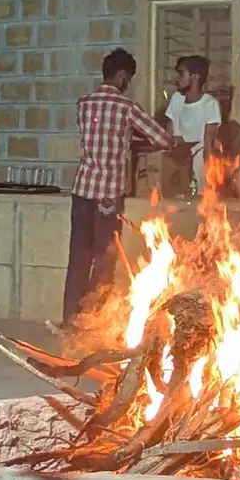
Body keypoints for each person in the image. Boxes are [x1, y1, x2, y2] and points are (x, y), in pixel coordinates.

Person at [63, 47, 179, 324]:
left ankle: (69, 319)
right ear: (122, 76)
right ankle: (92, 321)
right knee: (105, 259)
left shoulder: (84, 104)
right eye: (128, 78)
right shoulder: (126, 107)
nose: (128, 84)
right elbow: (162, 139)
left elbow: (96, 135)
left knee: (79, 256)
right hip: (108, 193)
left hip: (82, 190)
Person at [159, 55, 220, 194]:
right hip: (177, 170)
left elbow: (209, 145)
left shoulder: (210, 104)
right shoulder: (176, 99)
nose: (176, 79)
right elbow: (171, 135)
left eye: (181, 74)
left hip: (199, 174)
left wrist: (210, 180)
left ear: (195, 78)